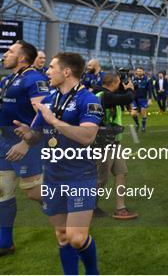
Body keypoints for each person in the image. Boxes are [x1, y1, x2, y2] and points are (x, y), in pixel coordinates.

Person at [9, 52, 103, 274]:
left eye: (51, 67)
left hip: (80, 177)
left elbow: (87, 137)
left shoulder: (88, 100)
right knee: (62, 237)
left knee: (77, 238)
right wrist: (27, 135)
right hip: (52, 177)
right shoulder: (50, 98)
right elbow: (36, 134)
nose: (47, 71)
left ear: (67, 71)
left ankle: (93, 272)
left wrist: (53, 121)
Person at [0, 41, 49, 256]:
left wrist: (26, 142)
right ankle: (5, 243)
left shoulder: (34, 79)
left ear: (21, 58)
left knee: (33, 192)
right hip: (4, 142)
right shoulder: (9, 79)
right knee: (2, 192)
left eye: (10, 51)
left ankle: (73, 207)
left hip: (26, 143)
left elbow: (44, 114)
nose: (5, 54)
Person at [93, 73, 138, 220]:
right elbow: (126, 98)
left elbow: (119, 97)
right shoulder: (103, 95)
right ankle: (86, 206)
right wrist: (130, 89)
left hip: (113, 142)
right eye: (119, 83)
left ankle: (121, 208)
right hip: (103, 143)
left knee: (121, 172)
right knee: (101, 179)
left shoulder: (105, 94)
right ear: (114, 82)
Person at [131, 67, 152, 132]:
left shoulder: (147, 79)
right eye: (138, 71)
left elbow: (150, 90)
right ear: (136, 72)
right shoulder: (133, 79)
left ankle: (143, 127)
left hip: (143, 99)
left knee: (143, 112)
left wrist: (150, 99)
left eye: (140, 71)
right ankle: (137, 124)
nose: (139, 72)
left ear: (143, 72)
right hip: (134, 99)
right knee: (133, 114)